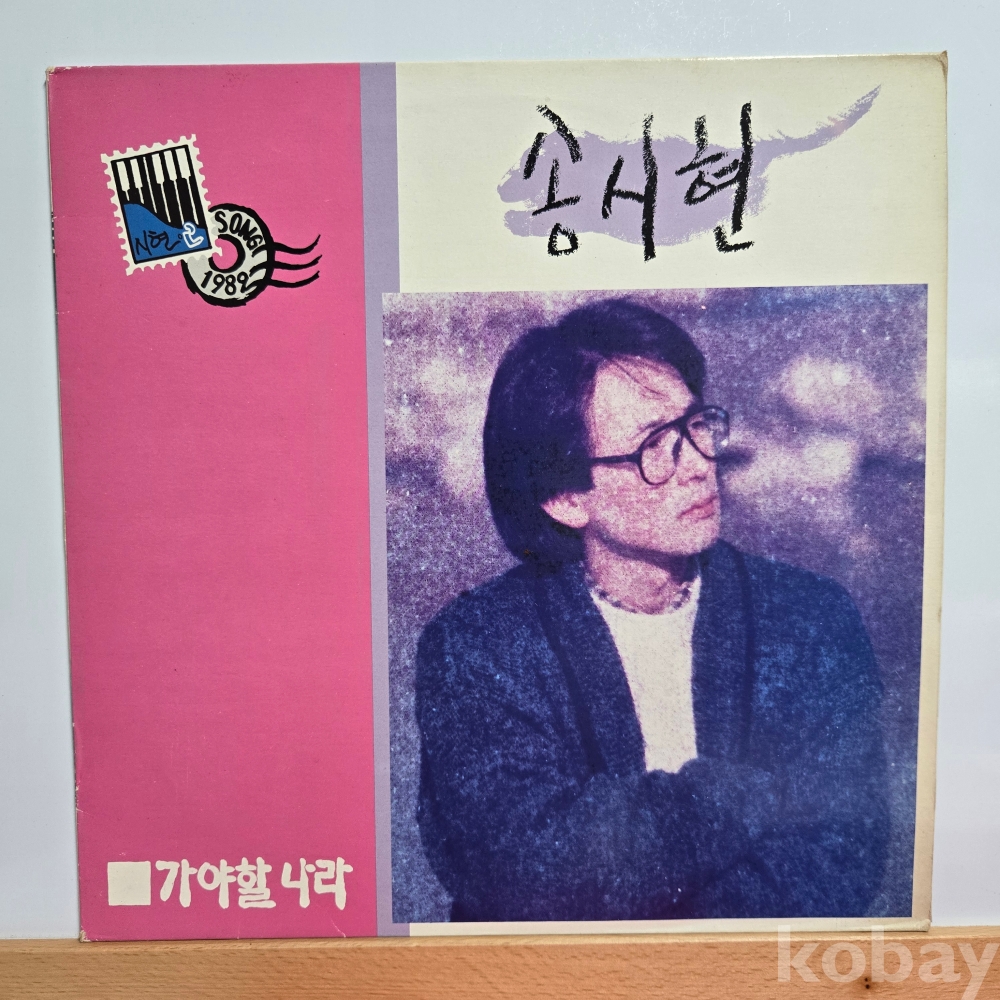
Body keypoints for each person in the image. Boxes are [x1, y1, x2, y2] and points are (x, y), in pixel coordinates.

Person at [414, 299, 889, 922]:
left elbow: (841, 857)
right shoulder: (477, 647)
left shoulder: (811, 619)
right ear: (566, 498)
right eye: (654, 446)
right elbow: (524, 873)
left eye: (697, 425)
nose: (698, 466)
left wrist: (662, 929)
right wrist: (736, 796)